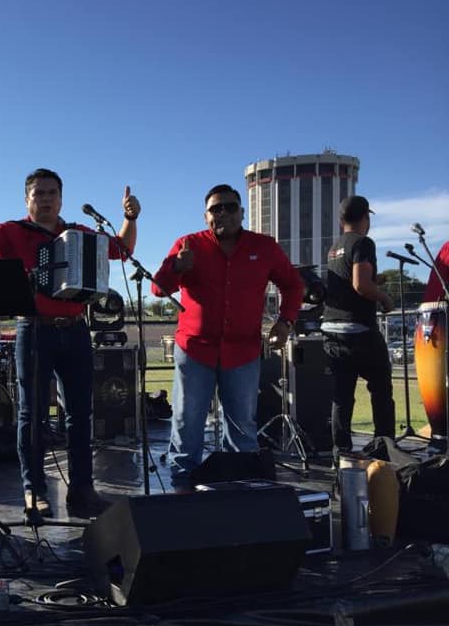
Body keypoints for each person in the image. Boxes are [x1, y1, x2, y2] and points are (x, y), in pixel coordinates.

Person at [0, 168, 140, 518]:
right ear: (27, 199)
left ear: (61, 198)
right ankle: (34, 491)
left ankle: (82, 491)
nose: (45, 199)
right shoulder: (12, 231)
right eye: (38, 193)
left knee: (80, 413)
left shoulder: (78, 233)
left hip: (75, 329)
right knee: (32, 413)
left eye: (52, 193)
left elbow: (122, 249)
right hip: (34, 329)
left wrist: (129, 219)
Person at [152, 184, 303, 488]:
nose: (222, 213)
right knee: (186, 422)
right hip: (195, 351)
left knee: (242, 426)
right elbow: (158, 288)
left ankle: (241, 486)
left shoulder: (264, 247)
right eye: (215, 209)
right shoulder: (188, 244)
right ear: (205, 216)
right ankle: (183, 488)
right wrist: (176, 266)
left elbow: (293, 285)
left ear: (242, 212)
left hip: (242, 353)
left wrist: (285, 321)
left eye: (230, 207)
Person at [321, 195, 395, 461]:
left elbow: (350, 281)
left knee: (342, 395)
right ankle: (384, 450)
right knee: (381, 390)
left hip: (332, 330)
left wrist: (375, 280)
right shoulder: (363, 243)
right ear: (366, 218)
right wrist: (384, 298)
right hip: (358, 330)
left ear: (341, 221)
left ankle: (340, 455)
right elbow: (360, 285)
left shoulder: (334, 248)